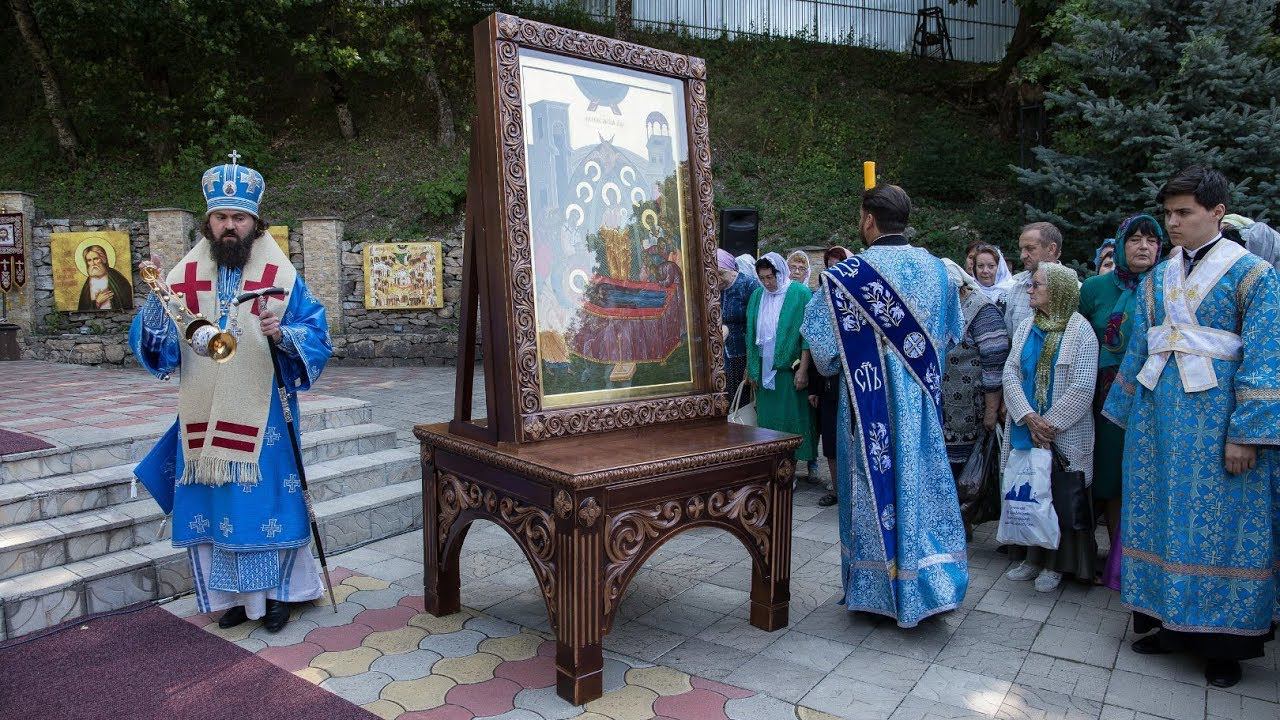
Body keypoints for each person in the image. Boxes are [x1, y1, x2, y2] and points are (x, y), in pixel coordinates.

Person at [130, 154, 332, 633]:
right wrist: (158, 305)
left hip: (265, 415)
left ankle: (280, 596)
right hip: (203, 411)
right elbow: (157, 346)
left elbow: (317, 335)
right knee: (220, 505)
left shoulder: (281, 276)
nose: (229, 226)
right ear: (208, 221)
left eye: (238, 217)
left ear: (255, 222)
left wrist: (282, 334)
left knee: (265, 505)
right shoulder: (185, 273)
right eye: (220, 217)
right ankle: (239, 599)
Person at [1104, 166, 1280, 688]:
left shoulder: (1253, 274)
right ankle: (1167, 623)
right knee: (1160, 517)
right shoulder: (1158, 275)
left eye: (1184, 213)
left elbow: (1266, 358)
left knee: (1221, 529)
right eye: (1168, 213)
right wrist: (1125, 414)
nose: (1172, 223)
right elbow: (1142, 344)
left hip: (1217, 426)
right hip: (1158, 421)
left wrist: (1245, 433)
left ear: (1217, 213)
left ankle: (1223, 644)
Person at [801, 184, 968, 627]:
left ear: (868, 220)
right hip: (919, 406)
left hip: (867, 402)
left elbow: (824, 352)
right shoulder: (938, 271)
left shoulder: (846, 277)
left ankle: (878, 591)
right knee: (919, 488)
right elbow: (951, 335)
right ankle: (929, 584)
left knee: (872, 490)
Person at [1078, 215, 1164, 591]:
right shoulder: (1096, 287)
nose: (1144, 247)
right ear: (1121, 244)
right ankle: (1116, 559)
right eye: (1135, 240)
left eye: (1152, 240)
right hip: (1105, 398)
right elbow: (1077, 337)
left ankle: (1148, 560)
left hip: (1156, 396)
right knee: (1111, 476)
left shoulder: (1167, 285)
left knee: (1149, 476)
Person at [1001, 262, 1098, 592]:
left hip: (1062, 433)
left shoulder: (1080, 331)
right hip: (1027, 427)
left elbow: (1084, 386)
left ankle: (1057, 564)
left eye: (1037, 285)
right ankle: (1031, 557)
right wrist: (1028, 417)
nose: (1030, 290)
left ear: (1057, 291)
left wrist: (1049, 425)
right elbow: (1011, 372)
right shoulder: (1027, 326)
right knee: (1029, 493)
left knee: (1058, 494)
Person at [940, 258, 1010, 537]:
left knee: (966, 468)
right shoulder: (946, 308)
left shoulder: (983, 311)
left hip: (970, 408)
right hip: (946, 408)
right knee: (947, 465)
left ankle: (964, 521)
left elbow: (995, 364)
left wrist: (991, 413)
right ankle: (952, 523)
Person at [746, 252, 817, 468]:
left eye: (771, 277)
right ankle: (772, 464)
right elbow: (750, 333)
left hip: (789, 370)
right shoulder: (758, 295)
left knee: (790, 421)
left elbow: (807, 336)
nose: (767, 282)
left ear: (781, 272)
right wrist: (752, 368)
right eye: (763, 278)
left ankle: (790, 468)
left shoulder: (800, 293)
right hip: (765, 369)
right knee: (768, 420)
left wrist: (803, 370)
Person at [808, 246, 854, 506]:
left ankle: (855, 491)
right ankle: (838, 490)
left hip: (854, 382)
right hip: (828, 384)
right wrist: (814, 388)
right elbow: (816, 344)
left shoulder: (857, 297)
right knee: (831, 440)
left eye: (839, 264)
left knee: (854, 439)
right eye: (830, 264)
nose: (833, 269)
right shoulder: (821, 299)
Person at [1005, 222, 1066, 336]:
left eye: (1030, 249)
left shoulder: (1074, 289)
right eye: (1022, 249)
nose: (1022, 256)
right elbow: (1009, 337)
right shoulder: (1015, 286)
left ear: (1051, 249)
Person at [717, 248, 760, 397]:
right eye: (713, 275)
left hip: (743, 354)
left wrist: (729, 329)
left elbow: (756, 324)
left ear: (731, 269)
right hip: (720, 354)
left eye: (721, 273)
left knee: (741, 398)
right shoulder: (713, 287)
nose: (717, 279)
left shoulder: (749, 285)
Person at [77, 244, 135, 311]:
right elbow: (83, 308)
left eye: (95, 259)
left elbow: (126, 301)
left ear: (103, 259)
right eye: (89, 260)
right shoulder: (87, 285)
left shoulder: (117, 278)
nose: (93, 263)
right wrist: (97, 302)